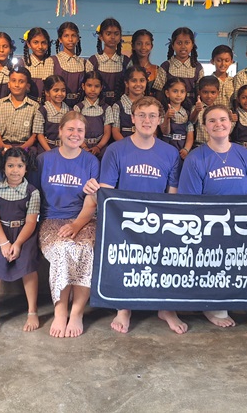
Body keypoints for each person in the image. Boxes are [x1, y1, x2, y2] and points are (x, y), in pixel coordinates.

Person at [84, 96, 185, 334]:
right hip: (124, 221)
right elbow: (107, 192)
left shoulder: (170, 153)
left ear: (160, 120)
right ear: (132, 118)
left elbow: (172, 196)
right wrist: (92, 190)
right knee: (118, 246)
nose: (146, 120)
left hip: (158, 220)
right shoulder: (115, 150)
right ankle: (123, 307)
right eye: (141, 115)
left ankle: (166, 307)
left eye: (152, 116)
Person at [178, 104, 247, 327]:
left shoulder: (245, 155)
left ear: (231, 123)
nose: (218, 124)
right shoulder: (196, 158)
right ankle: (214, 307)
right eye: (212, 121)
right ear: (204, 127)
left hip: (243, 221)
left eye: (223, 119)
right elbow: (190, 203)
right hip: (210, 224)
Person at [37, 111, 99, 338]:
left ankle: (77, 312)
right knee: (62, 248)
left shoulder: (91, 161)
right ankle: (60, 310)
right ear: (60, 131)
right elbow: (33, 195)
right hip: (52, 219)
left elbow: (92, 201)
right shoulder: (44, 160)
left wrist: (76, 225)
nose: (75, 134)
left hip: (84, 218)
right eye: (70, 129)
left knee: (85, 249)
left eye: (80, 130)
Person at [0, 148, 41, 335]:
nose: (15, 170)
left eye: (20, 166)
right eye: (11, 165)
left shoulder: (32, 192)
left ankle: (32, 311)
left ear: (26, 168)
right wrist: (4, 243)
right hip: (0, 233)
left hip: (24, 234)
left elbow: (31, 222)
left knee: (28, 268)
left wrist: (18, 243)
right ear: (3, 167)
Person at [152, 27, 204, 108]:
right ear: (173, 45)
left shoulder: (197, 67)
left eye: (187, 43)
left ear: (192, 45)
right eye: (179, 43)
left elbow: (200, 92)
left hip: (192, 110)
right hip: (169, 110)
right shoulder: (166, 66)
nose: (183, 46)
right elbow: (159, 91)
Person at [0, 66, 38, 152]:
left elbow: (35, 135)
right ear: (8, 84)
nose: (17, 85)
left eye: (21, 81)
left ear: (27, 86)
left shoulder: (34, 107)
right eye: (13, 81)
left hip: (25, 146)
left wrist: (22, 148)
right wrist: (3, 146)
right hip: (2, 145)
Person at [88, 18, 130, 106]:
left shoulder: (126, 61)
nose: (112, 37)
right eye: (108, 34)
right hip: (98, 107)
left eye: (116, 34)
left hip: (121, 107)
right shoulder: (93, 61)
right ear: (101, 36)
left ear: (120, 36)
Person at [74, 71, 111, 157]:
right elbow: (75, 131)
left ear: (101, 88)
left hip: (101, 147)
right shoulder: (78, 108)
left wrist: (98, 147)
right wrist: (84, 147)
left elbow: (107, 132)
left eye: (96, 86)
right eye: (89, 85)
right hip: (81, 146)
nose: (93, 89)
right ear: (83, 86)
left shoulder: (106, 108)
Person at [51, 22, 87, 108]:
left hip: (80, 107)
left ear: (78, 38)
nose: (70, 39)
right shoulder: (52, 61)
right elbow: (48, 90)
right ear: (60, 39)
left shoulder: (84, 63)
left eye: (73, 35)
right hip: (58, 107)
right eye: (66, 36)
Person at [158, 76, 194, 159]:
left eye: (182, 92)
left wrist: (186, 149)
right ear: (167, 93)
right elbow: (165, 131)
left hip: (182, 147)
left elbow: (190, 135)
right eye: (175, 91)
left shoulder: (187, 113)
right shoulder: (162, 111)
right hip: (166, 146)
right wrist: (167, 117)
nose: (179, 95)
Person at [33, 75, 69, 154]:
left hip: (65, 148)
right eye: (56, 90)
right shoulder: (42, 111)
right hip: (47, 148)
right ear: (47, 92)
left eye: (63, 90)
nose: (60, 93)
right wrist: (49, 151)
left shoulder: (69, 111)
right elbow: (39, 134)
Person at [111, 65, 148, 141]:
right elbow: (115, 132)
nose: (138, 84)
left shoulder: (150, 105)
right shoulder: (118, 106)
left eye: (142, 80)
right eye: (134, 81)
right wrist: (127, 146)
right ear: (127, 83)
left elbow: (154, 131)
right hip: (124, 144)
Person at [22, 27, 54, 101]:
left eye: (43, 43)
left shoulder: (53, 62)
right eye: (35, 42)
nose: (40, 47)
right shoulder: (23, 63)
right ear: (29, 44)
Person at [191, 76, 219, 148]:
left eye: (213, 92)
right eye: (205, 92)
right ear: (199, 92)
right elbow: (192, 121)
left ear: (218, 93)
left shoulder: (219, 109)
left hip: (216, 145)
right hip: (199, 145)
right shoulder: (196, 108)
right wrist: (196, 111)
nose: (209, 96)